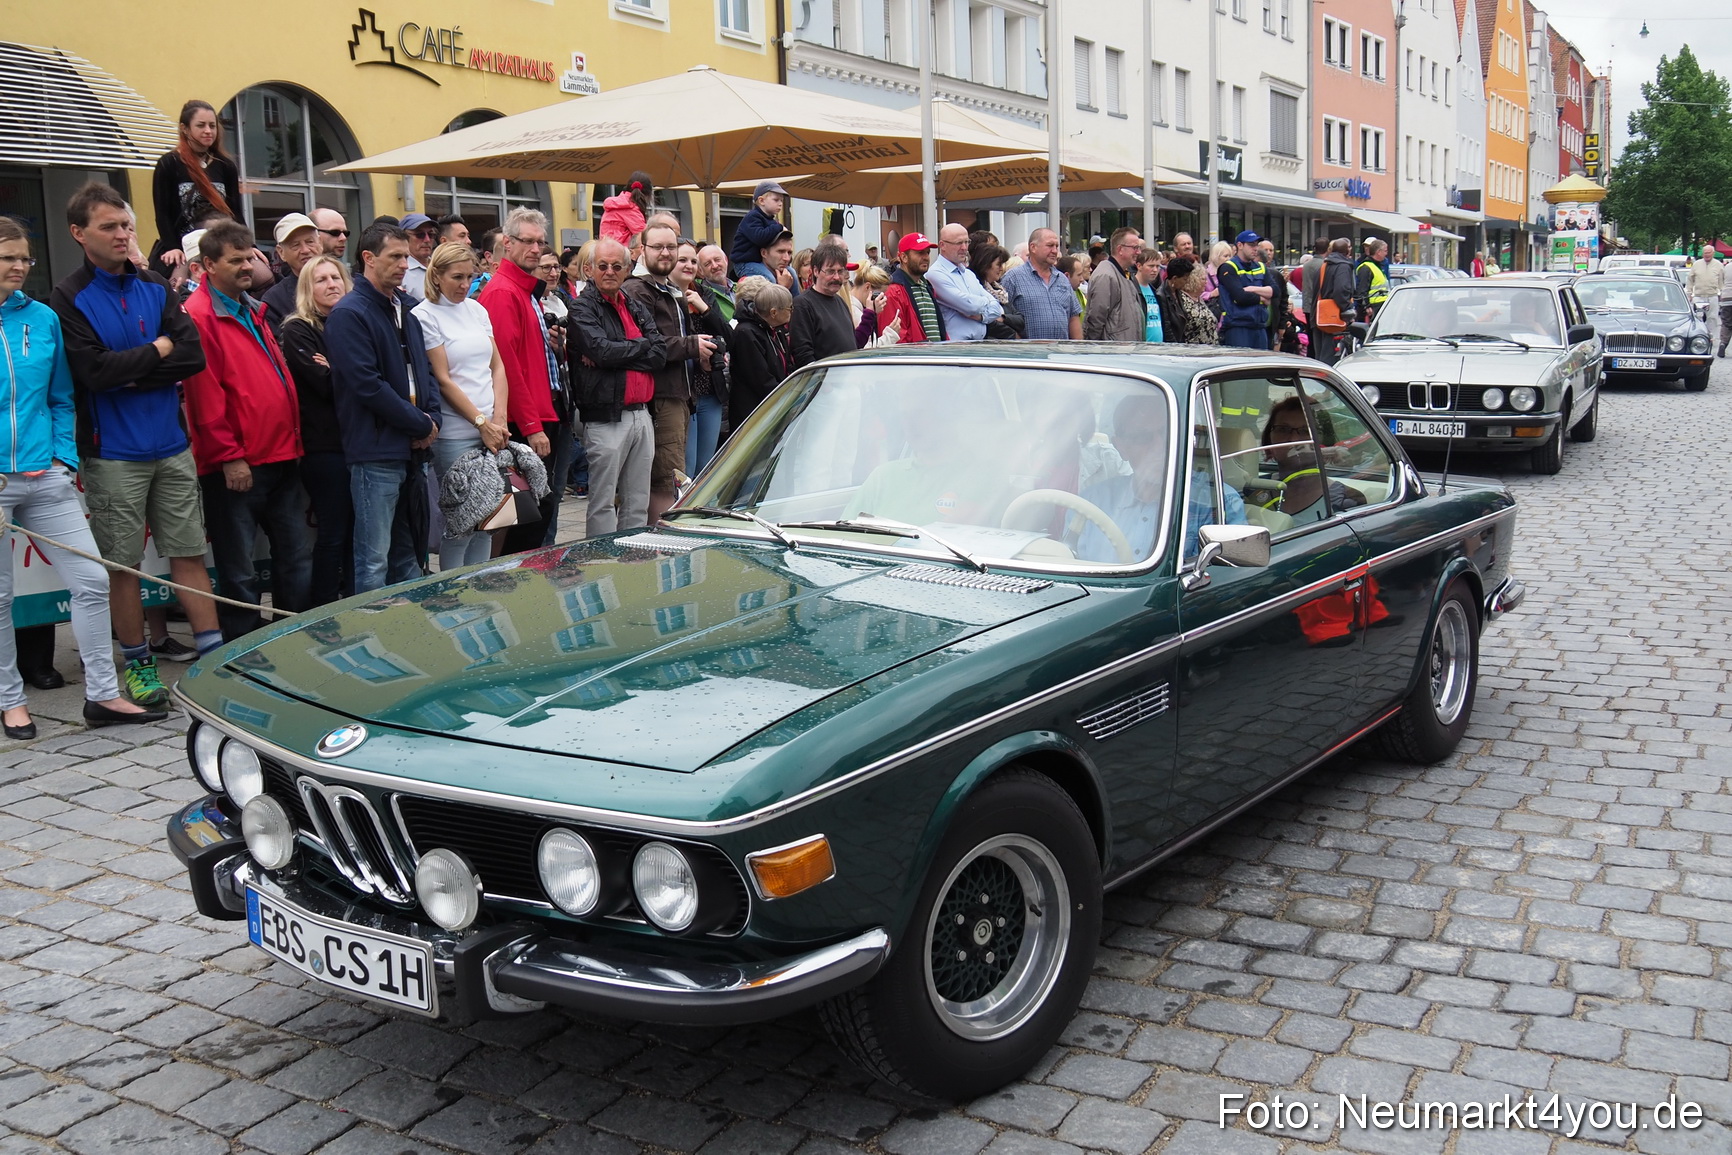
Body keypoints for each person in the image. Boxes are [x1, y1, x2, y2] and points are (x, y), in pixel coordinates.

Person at [51, 182, 224, 707]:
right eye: (110, 227)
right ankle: (140, 667)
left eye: (126, 225)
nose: (123, 234)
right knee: (122, 568)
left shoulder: (154, 285)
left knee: (189, 553)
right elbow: (94, 373)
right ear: (80, 234)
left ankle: (212, 663)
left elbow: (191, 355)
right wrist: (156, 351)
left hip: (170, 444)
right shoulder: (67, 297)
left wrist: (135, 366)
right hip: (112, 454)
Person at [0, 218, 166, 737]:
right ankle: (11, 700)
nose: (19, 268)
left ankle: (102, 695)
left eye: (25, 258)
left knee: (92, 580)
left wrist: (63, 460)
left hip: (47, 475)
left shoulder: (43, 318)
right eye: (9, 257)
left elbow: (59, 397)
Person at [179, 219, 312, 641]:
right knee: (239, 570)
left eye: (249, 256)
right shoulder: (200, 315)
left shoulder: (250, 308)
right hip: (239, 463)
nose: (246, 266)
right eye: (235, 260)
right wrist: (229, 456)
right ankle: (241, 651)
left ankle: (290, 640)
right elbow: (205, 395)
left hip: (281, 453)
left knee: (295, 557)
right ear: (207, 266)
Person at [324, 222, 441, 594]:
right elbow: (367, 386)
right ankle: (367, 638)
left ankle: (406, 634)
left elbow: (426, 373)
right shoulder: (349, 313)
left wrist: (431, 419)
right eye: (395, 256)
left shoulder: (406, 309)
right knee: (373, 557)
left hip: (412, 447)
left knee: (408, 555)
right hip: (375, 450)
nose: (405, 264)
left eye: (406, 256)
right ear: (369, 259)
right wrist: (420, 424)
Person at [478, 208, 572, 552]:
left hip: (543, 411)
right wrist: (532, 425)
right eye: (527, 241)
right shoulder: (504, 292)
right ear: (507, 242)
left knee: (538, 510)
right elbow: (504, 367)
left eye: (540, 241)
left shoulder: (523, 289)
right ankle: (517, 583)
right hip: (525, 420)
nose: (535, 248)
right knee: (526, 514)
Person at [415, 242, 510, 571]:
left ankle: (478, 582)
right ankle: (454, 586)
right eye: (456, 277)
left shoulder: (477, 310)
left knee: (487, 519)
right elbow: (443, 378)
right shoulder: (424, 314)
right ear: (436, 275)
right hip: (457, 431)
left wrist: (500, 416)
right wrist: (481, 422)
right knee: (461, 521)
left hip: (491, 427)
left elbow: (497, 366)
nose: (463, 284)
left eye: (470, 277)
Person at [568, 238, 665, 536]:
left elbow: (659, 353)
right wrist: (636, 347)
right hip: (606, 416)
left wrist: (617, 352)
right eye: (602, 266)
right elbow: (601, 351)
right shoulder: (582, 308)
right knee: (603, 500)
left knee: (638, 499)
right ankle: (600, 564)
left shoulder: (633, 304)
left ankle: (631, 562)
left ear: (627, 270)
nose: (609, 271)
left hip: (641, 414)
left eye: (616, 266)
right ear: (589, 270)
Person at [623, 223, 718, 524]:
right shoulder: (638, 289)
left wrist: (698, 355)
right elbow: (647, 344)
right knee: (667, 477)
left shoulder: (668, 289)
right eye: (658, 247)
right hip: (661, 395)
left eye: (671, 248)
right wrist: (692, 345)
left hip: (676, 394)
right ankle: (660, 549)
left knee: (673, 474)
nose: (666, 253)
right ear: (642, 249)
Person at [278, 255, 354, 606]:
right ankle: (324, 606)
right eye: (321, 279)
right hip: (324, 447)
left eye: (335, 277)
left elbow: (373, 375)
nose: (331, 284)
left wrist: (336, 366)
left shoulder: (354, 320)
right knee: (333, 532)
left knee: (359, 533)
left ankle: (355, 600)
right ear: (308, 289)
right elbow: (325, 385)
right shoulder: (298, 329)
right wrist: (347, 369)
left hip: (357, 443)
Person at [1072, 394, 1170, 564]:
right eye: (1142, 437)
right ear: (1121, 447)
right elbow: (1069, 566)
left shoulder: (1213, 503)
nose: (1159, 447)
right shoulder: (1090, 503)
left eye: (1166, 433)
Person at [148, 100, 239, 276]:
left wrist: (247, 244)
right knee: (178, 284)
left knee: (263, 275)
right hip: (183, 245)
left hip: (222, 244)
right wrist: (173, 247)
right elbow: (163, 214)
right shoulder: (169, 163)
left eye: (212, 126)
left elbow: (235, 212)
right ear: (184, 128)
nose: (208, 131)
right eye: (201, 125)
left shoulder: (226, 166)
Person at [670, 239, 731, 477]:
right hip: (684, 392)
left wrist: (704, 308)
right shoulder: (665, 297)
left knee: (706, 467)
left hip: (710, 389)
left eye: (693, 261)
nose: (689, 265)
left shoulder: (704, 293)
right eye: (682, 260)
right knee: (688, 466)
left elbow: (728, 338)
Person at [1256, 396, 1365, 523]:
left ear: (1324, 440)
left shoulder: (1344, 500)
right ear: (1269, 437)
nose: (1293, 440)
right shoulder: (1254, 489)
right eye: (1283, 430)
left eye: (1305, 431)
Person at [728, 282, 793, 429]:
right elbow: (760, 378)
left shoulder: (775, 329)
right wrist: (786, 396)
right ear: (773, 312)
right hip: (753, 411)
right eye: (789, 308)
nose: (792, 311)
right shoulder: (746, 333)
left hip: (774, 404)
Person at [1002, 227, 1082, 340]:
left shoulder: (1062, 279)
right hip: (1028, 354)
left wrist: (1077, 350)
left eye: (1056, 246)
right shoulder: (1013, 278)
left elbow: (1073, 317)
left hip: (1061, 353)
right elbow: (1001, 318)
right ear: (1033, 247)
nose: (1055, 251)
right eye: (1050, 246)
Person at [926, 224, 1003, 341]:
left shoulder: (968, 274)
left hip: (978, 343)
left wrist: (982, 317)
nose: (964, 247)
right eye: (958, 243)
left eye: (967, 242)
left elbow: (998, 309)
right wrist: (987, 301)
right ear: (942, 245)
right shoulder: (935, 274)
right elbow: (970, 306)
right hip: (955, 347)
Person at [789, 241, 855, 368]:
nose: (836, 277)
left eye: (840, 271)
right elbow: (803, 355)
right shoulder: (803, 305)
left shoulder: (840, 302)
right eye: (830, 271)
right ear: (816, 271)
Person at [260, 213, 324, 334]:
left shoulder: (344, 284)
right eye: (295, 245)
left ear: (320, 243)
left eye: (310, 242)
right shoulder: (275, 300)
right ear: (281, 252)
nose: (305, 250)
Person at [1213, 231, 1273, 350]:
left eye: (1256, 244)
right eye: (1251, 245)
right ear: (1240, 245)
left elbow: (1275, 291)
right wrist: (1262, 297)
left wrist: (1252, 289)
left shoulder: (1260, 267)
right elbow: (1239, 297)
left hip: (1259, 326)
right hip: (1238, 326)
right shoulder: (1228, 267)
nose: (1255, 248)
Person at [879, 233, 944, 343]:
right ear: (904, 257)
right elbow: (895, 339)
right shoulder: (893, 291)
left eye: (927, 253)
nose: (926, 257)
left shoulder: (927, 286)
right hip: (914, 358)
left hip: (933, 357)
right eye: (920, 253)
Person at [1083, 228, 1146, 342]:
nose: (1139, 252)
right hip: (1112, 354)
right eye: (1135, 248)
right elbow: (1096, 320)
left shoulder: (1123, 274)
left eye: (1139, 248)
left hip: (1123, 352)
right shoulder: (1106, 276)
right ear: (1120, 249)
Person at [728, 180, 789, 280]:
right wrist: (779, 227)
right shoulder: (752, 217)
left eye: (781, 201)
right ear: (761, 201)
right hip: (745, 263)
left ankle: (796, 296)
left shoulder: (770, 221)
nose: (780, 204)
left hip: (761, 263)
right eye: (776, 200)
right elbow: (760, 237)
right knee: (769, 279)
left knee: (791, 273)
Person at [1315, 238, 1358, 365]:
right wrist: (1347, 308)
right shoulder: (1343, 265)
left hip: (1324, 314)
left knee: (1325, 352)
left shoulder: (1326, 264)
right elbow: (1341, 290)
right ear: (1347, 250)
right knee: (1333, 355)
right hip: (1337, 314)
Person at [971, 240, 1022, 339]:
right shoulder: (976, 289)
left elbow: (1020, 319)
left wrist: (1003, 318)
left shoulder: (999, 291)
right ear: (986, 265)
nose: (1001, 269)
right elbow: (988, 323)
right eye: (998, 265)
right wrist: (1013, 334)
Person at [1165, 257, 1220, 345]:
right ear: (1193, 280)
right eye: (1203, 279)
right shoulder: (1182, 299)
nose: (1206, 282)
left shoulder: (1199, 299)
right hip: (1192, 350)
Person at [848, 263, 897, 348]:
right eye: (879, 295)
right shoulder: (855, 312)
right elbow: (867, 348)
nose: (882, 300)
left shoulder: (853, 306)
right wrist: (890, 335)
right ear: (867, 287)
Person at [600, 172, 654, 247]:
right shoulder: (630, 208)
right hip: (621, 251)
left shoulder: (614, 205)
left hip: (605, 248)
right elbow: (645, 236)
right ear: (647, 195)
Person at [1257, 240, 1294, 351]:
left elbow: (1283, 299)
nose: (1268, 253)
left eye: (1271, 250)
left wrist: (1282, 324)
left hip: (1271, 325)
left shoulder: (1275, 275)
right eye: (1265, 250)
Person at [398, 213, 438, 302]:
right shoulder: (400, 272)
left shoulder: (440, 266)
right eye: (420, 235)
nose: (427, 240)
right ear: (404, 238)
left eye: (431, 235)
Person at [1687, 249, 1723, 344]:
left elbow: (1721, 281)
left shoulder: (1718, 265)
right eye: (1705, 253)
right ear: (1702, 254)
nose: (1707, 255)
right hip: (1699, 297)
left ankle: (1710, 337)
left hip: (1712, 296)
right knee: (1698, 317)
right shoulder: (1697, 264)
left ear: (1713, 253)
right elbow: (1690, 279)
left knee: (1712, 317)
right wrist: (1689, 293)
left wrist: (1722, 293)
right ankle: (1698, 336)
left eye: (1709, 253)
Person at [1132, 249, 1166, 343]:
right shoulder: (1131, 289)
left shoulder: (1157, 291)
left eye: (1157, 266)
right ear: (1139, 266)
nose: (1155, 270)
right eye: (1151, 266)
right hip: (1140, 348)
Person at [1355, 239, 1391, 326]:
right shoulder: (1366, 267)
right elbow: (1362, 290)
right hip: (1373, 308)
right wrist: (1366, 306)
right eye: (1385, 251)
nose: (1386, 254)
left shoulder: (1377, 266)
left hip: (1379, 306)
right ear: (1378, 252)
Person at [695, 244, 735, 322]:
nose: (715, 266)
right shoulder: (703, 297)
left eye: (717, 260)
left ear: (726, 260)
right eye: (707, 264)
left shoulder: (743, 287)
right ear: (700, 271)